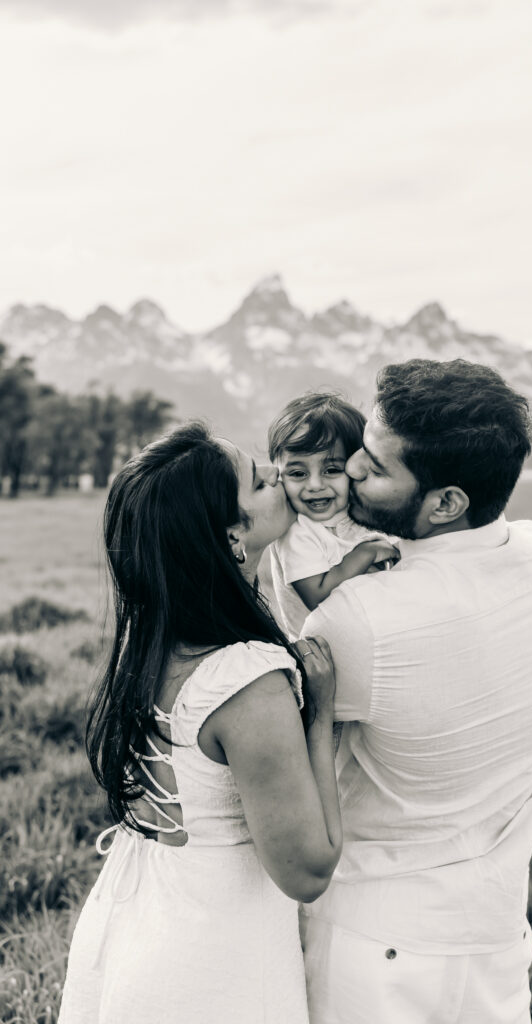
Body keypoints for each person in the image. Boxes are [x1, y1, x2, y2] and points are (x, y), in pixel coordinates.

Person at [299, 359, 532, 1024]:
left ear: (446, 502)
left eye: (375, 466)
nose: (349, 473)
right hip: (493, 939)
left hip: (374, 947)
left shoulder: (356, 619)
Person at [58, 422, 342, 1024]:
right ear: (232, 537)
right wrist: (318, 716)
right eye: (262, 481)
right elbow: (308, 869)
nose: (279, 479)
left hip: (129, 924)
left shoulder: (153, 637)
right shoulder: (248, 679)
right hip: (211, 961)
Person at [268, 392, 399, 639]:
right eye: (298, 473)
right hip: (325, 652)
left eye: (331, 470)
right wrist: (366, 553)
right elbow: (317, 597)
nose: (315, 485)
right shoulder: (297, 531)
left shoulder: (357, 512)